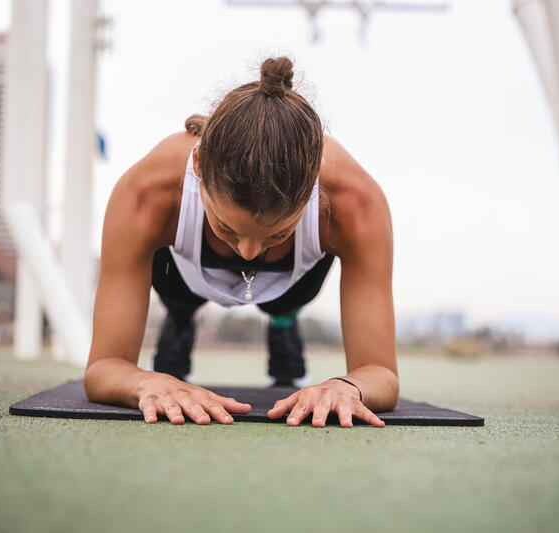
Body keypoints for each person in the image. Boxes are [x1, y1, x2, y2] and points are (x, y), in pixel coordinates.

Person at [84, 56, 397, 428]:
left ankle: (283, 320)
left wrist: (348, 386)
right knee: (179, 301)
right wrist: (146, 381)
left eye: (278, 233)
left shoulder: (355, 205)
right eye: (226, 228)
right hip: (182, 277)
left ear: (314, 183)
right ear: (198, 166)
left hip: (292, 285)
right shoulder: (146, 194)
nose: (248, 253)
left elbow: (380, 373)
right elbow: (103, 367)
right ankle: (181, 319)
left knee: (287, 303)